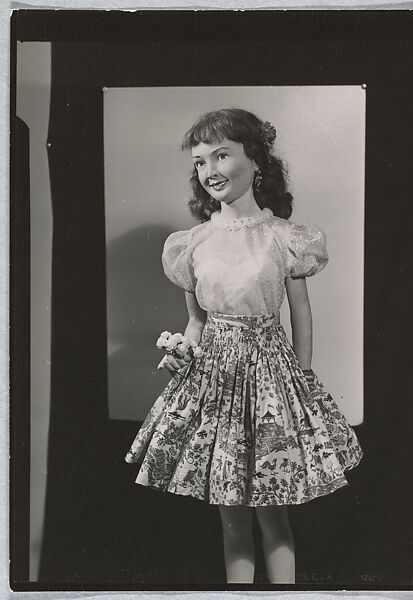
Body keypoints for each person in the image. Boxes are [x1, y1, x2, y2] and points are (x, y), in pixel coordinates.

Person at [125, 108, 363, 584]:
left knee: (273, 513)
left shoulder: (285, 238)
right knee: (231, 513)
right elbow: (195, 322)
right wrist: (183, 352)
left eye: (221, 155)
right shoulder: (191, 245)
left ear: (256, 161)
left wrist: (303, 378)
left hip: (271, 384)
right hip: (215, 384)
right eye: (199, 162)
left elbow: (300, 312)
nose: (209, 171)